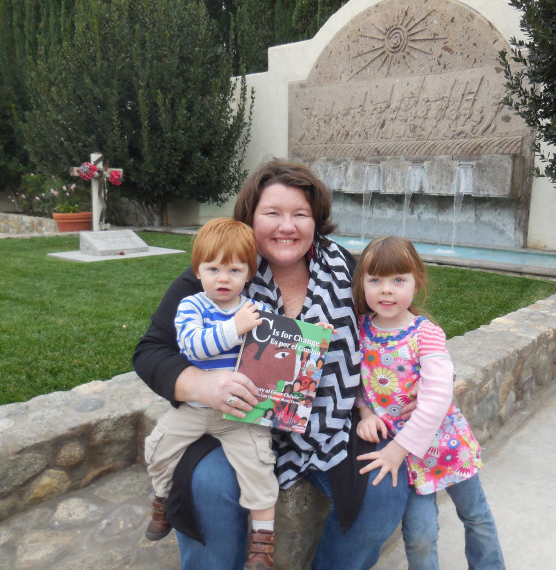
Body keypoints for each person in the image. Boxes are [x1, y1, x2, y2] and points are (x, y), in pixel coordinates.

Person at [133, 159, 410, 569]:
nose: (287, 226)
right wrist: (203, 386)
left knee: (384, 488)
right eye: (272, 214)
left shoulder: (346, 270)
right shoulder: (220, 274)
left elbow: (390, 320)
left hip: (328, 422)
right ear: (250, 217)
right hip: (235, 420)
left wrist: (414, 374)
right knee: (207, 485)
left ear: (316, 220)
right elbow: (152, 351)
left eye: (300, 214)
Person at [353, 236, 505, 570]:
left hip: (446, 447)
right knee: (420, 535)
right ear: (361, 283)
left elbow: (437, 399)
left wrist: (397, 449)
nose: (386, 290)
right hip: (406, 463)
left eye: (398, 280)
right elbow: (356, 378)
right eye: (375, 280)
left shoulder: (426, 333)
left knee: (475, 516)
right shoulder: (361, 330)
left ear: (416, 282)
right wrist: (364, 410)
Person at [143, 217, 284, 568]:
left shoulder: (256, 311)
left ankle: (262, 541)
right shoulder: (192, 306)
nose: (224, 278)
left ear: (249, 274)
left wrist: (312, 337)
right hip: (192, 407)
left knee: (259, 466)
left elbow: (281, 347)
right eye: (214, 268)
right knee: (159, 448)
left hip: (239, 414)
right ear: (198, 270)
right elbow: (192, 348)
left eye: (235, 270)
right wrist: (234, 328)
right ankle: (161, 500)